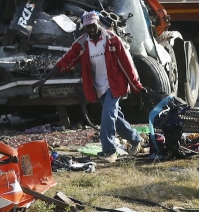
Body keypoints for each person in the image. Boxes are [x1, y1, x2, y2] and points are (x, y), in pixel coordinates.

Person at [32, 11, 144, 162]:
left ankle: (109, 151)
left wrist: (136, 85)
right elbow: (65, 61)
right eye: (87, 27)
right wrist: (44, 78)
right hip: (98, 87)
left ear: (98, 24)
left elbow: (126, 63)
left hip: (114, 84)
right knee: (116, 118)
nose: (90, 29)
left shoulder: (112, 40)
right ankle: (136, 139)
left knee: (107, 115)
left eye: (92, 25)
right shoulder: (81, 43)